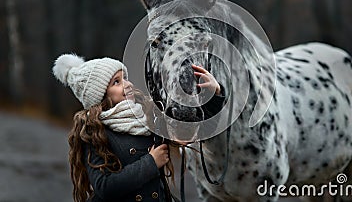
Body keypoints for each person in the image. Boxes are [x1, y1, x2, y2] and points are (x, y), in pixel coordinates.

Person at [52, 54, 225, 202]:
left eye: (125, 78)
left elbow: (197, 133)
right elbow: (104, 187)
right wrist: (151, 162)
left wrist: (214, 94)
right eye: (116, 82)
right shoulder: (93, 132)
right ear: (100, 95)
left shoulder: (148, 116)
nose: (127, 84)